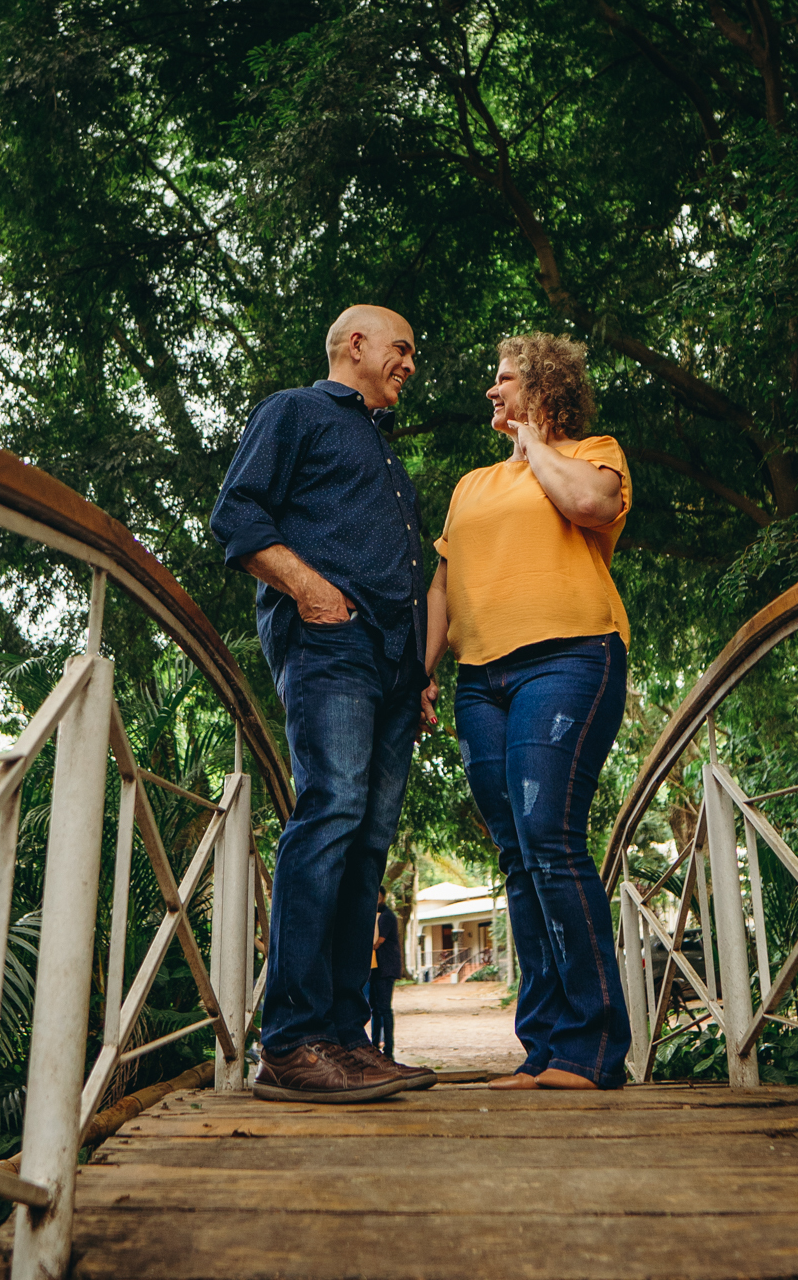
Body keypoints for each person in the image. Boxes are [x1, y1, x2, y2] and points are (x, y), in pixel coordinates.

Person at [210, 305, 438, 1103]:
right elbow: (237, 516)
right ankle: (292, 1040)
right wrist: (310, 590)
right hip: (331, 643)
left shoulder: (384, 451)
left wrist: (418, 670)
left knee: (369, 842)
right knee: (332, 811)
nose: (410, 363)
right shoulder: (296, 411)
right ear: (357, 344)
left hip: (392, 666)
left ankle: (345, 1037)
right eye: (403, 348)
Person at [426, 333, 633, 1092]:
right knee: (516, 853)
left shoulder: (593, 455)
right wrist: (421, 674)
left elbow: (587, 504)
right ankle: (543, 1048)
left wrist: (534, 443)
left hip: (569, 658)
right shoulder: (470, 486)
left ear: (544, 388)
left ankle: (593, 1048)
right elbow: (442, 587)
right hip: (480, 680)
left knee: (549, 836)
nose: (492, 389)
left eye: (506, 378)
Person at [369, 885, 402, 1060]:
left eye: (378, 897)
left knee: (384, 1009)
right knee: (375, 1009)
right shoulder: (374, 915)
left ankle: (388, 1050)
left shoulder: (387, 916)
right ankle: (375, 1046)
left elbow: (377, 942)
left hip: (386, 968)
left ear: (383, 897)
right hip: (375, 968)